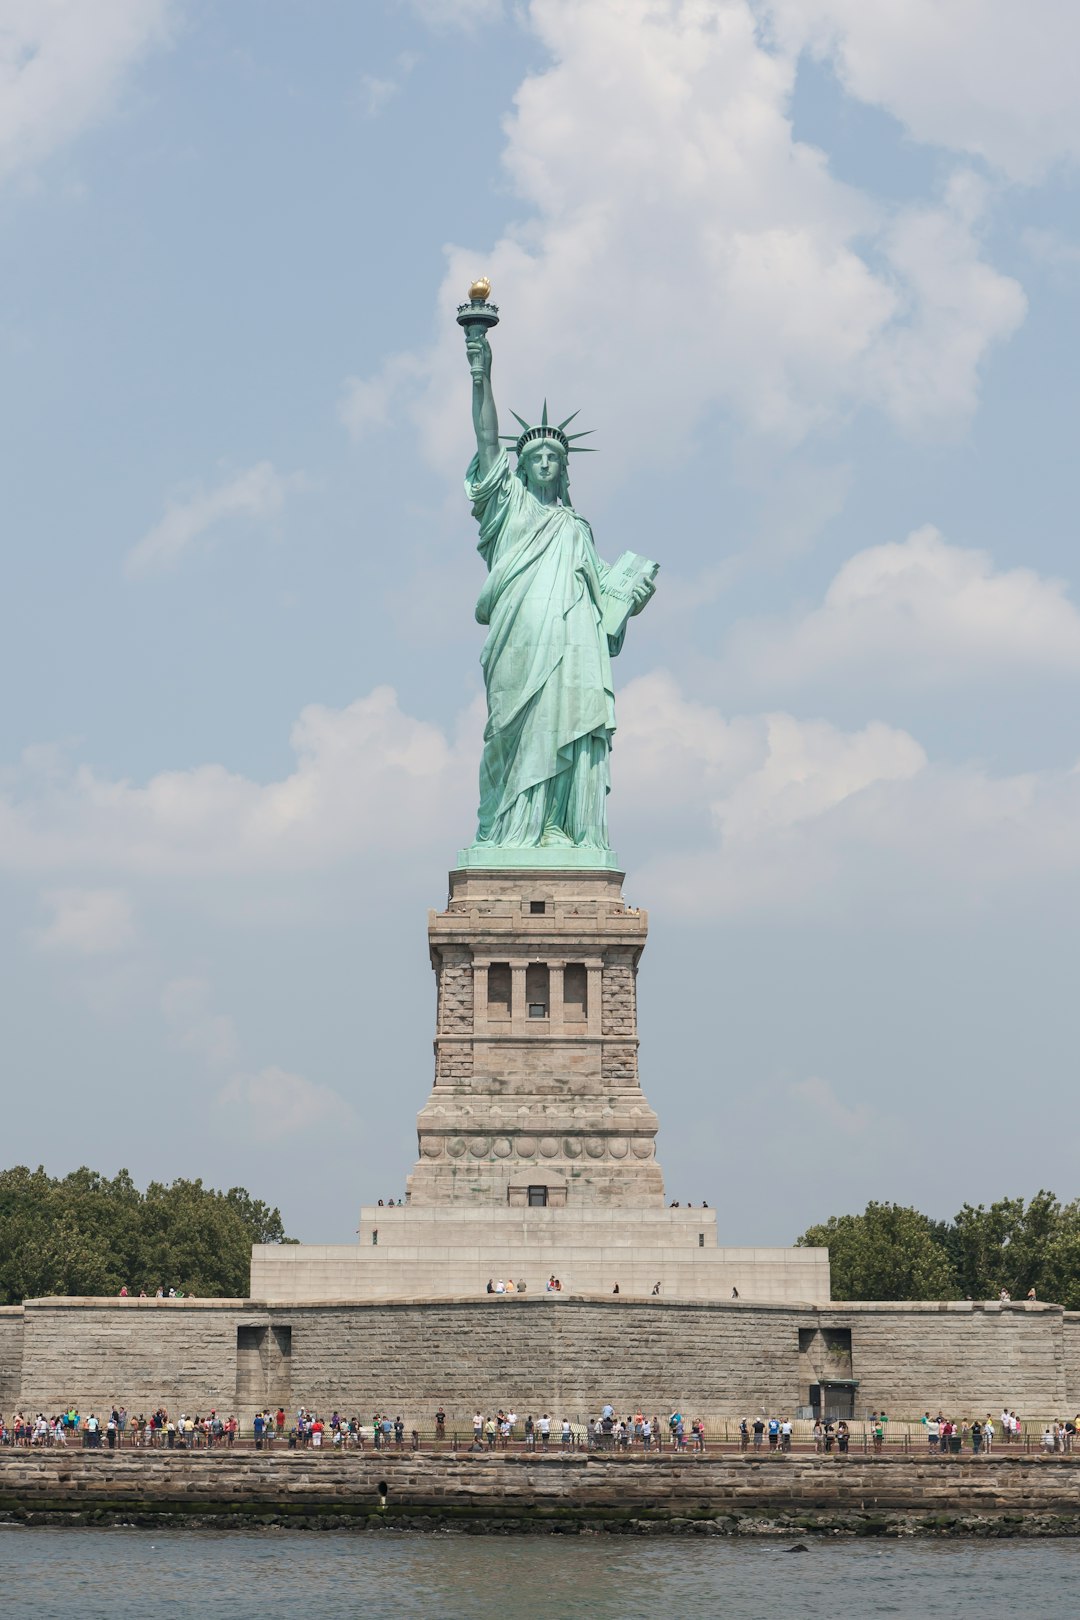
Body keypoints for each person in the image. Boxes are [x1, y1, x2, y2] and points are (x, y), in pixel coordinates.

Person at [460, 317, 655, 860]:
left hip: (573, 642)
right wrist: (481, 369)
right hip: (519, 634)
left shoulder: (576, 528)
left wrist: (627, 597)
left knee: (564, 719)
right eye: (534, 458)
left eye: (554, 458)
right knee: (514, 728)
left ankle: (556, 828)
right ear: (519, 467)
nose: (544, 462)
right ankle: (507, 828)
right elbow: (483, 435)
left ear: (564, 468)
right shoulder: (509, 507)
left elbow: (603, 599)